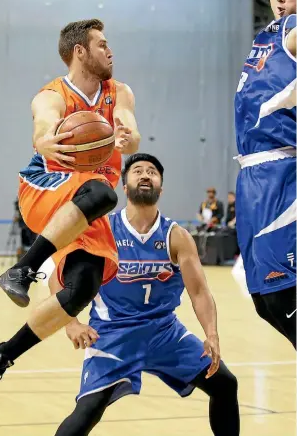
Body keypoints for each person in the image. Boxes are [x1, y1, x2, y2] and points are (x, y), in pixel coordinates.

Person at [0, 19, 140, 399]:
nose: (109, 50)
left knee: (84, 287)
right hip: (45, 189)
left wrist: (129, 138)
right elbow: (43, 123)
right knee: (102, 192)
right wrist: (44, 139)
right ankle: (24, 268)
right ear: (79, 52)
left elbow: (129, 130)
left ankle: (0, 355)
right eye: (101, 45)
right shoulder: (51, 95)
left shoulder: (120, 93)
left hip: (86, 205)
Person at [52, 154, 240, 436]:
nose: (145, 175)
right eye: (137, 171)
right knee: (89, 410)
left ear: (160, 188)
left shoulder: (176, 236)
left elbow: (199, 291)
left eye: (152, 172)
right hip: (113, 334)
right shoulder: (102, 231)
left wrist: (211, 334)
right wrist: (71, 323)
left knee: (225, 383)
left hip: (164, 332)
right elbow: (58, 278)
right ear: (124, 187)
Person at [234, 0, 296, 348]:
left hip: (281, 173)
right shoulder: (275, 27)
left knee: (283, 294)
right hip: (251, 175)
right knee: (264, 302)